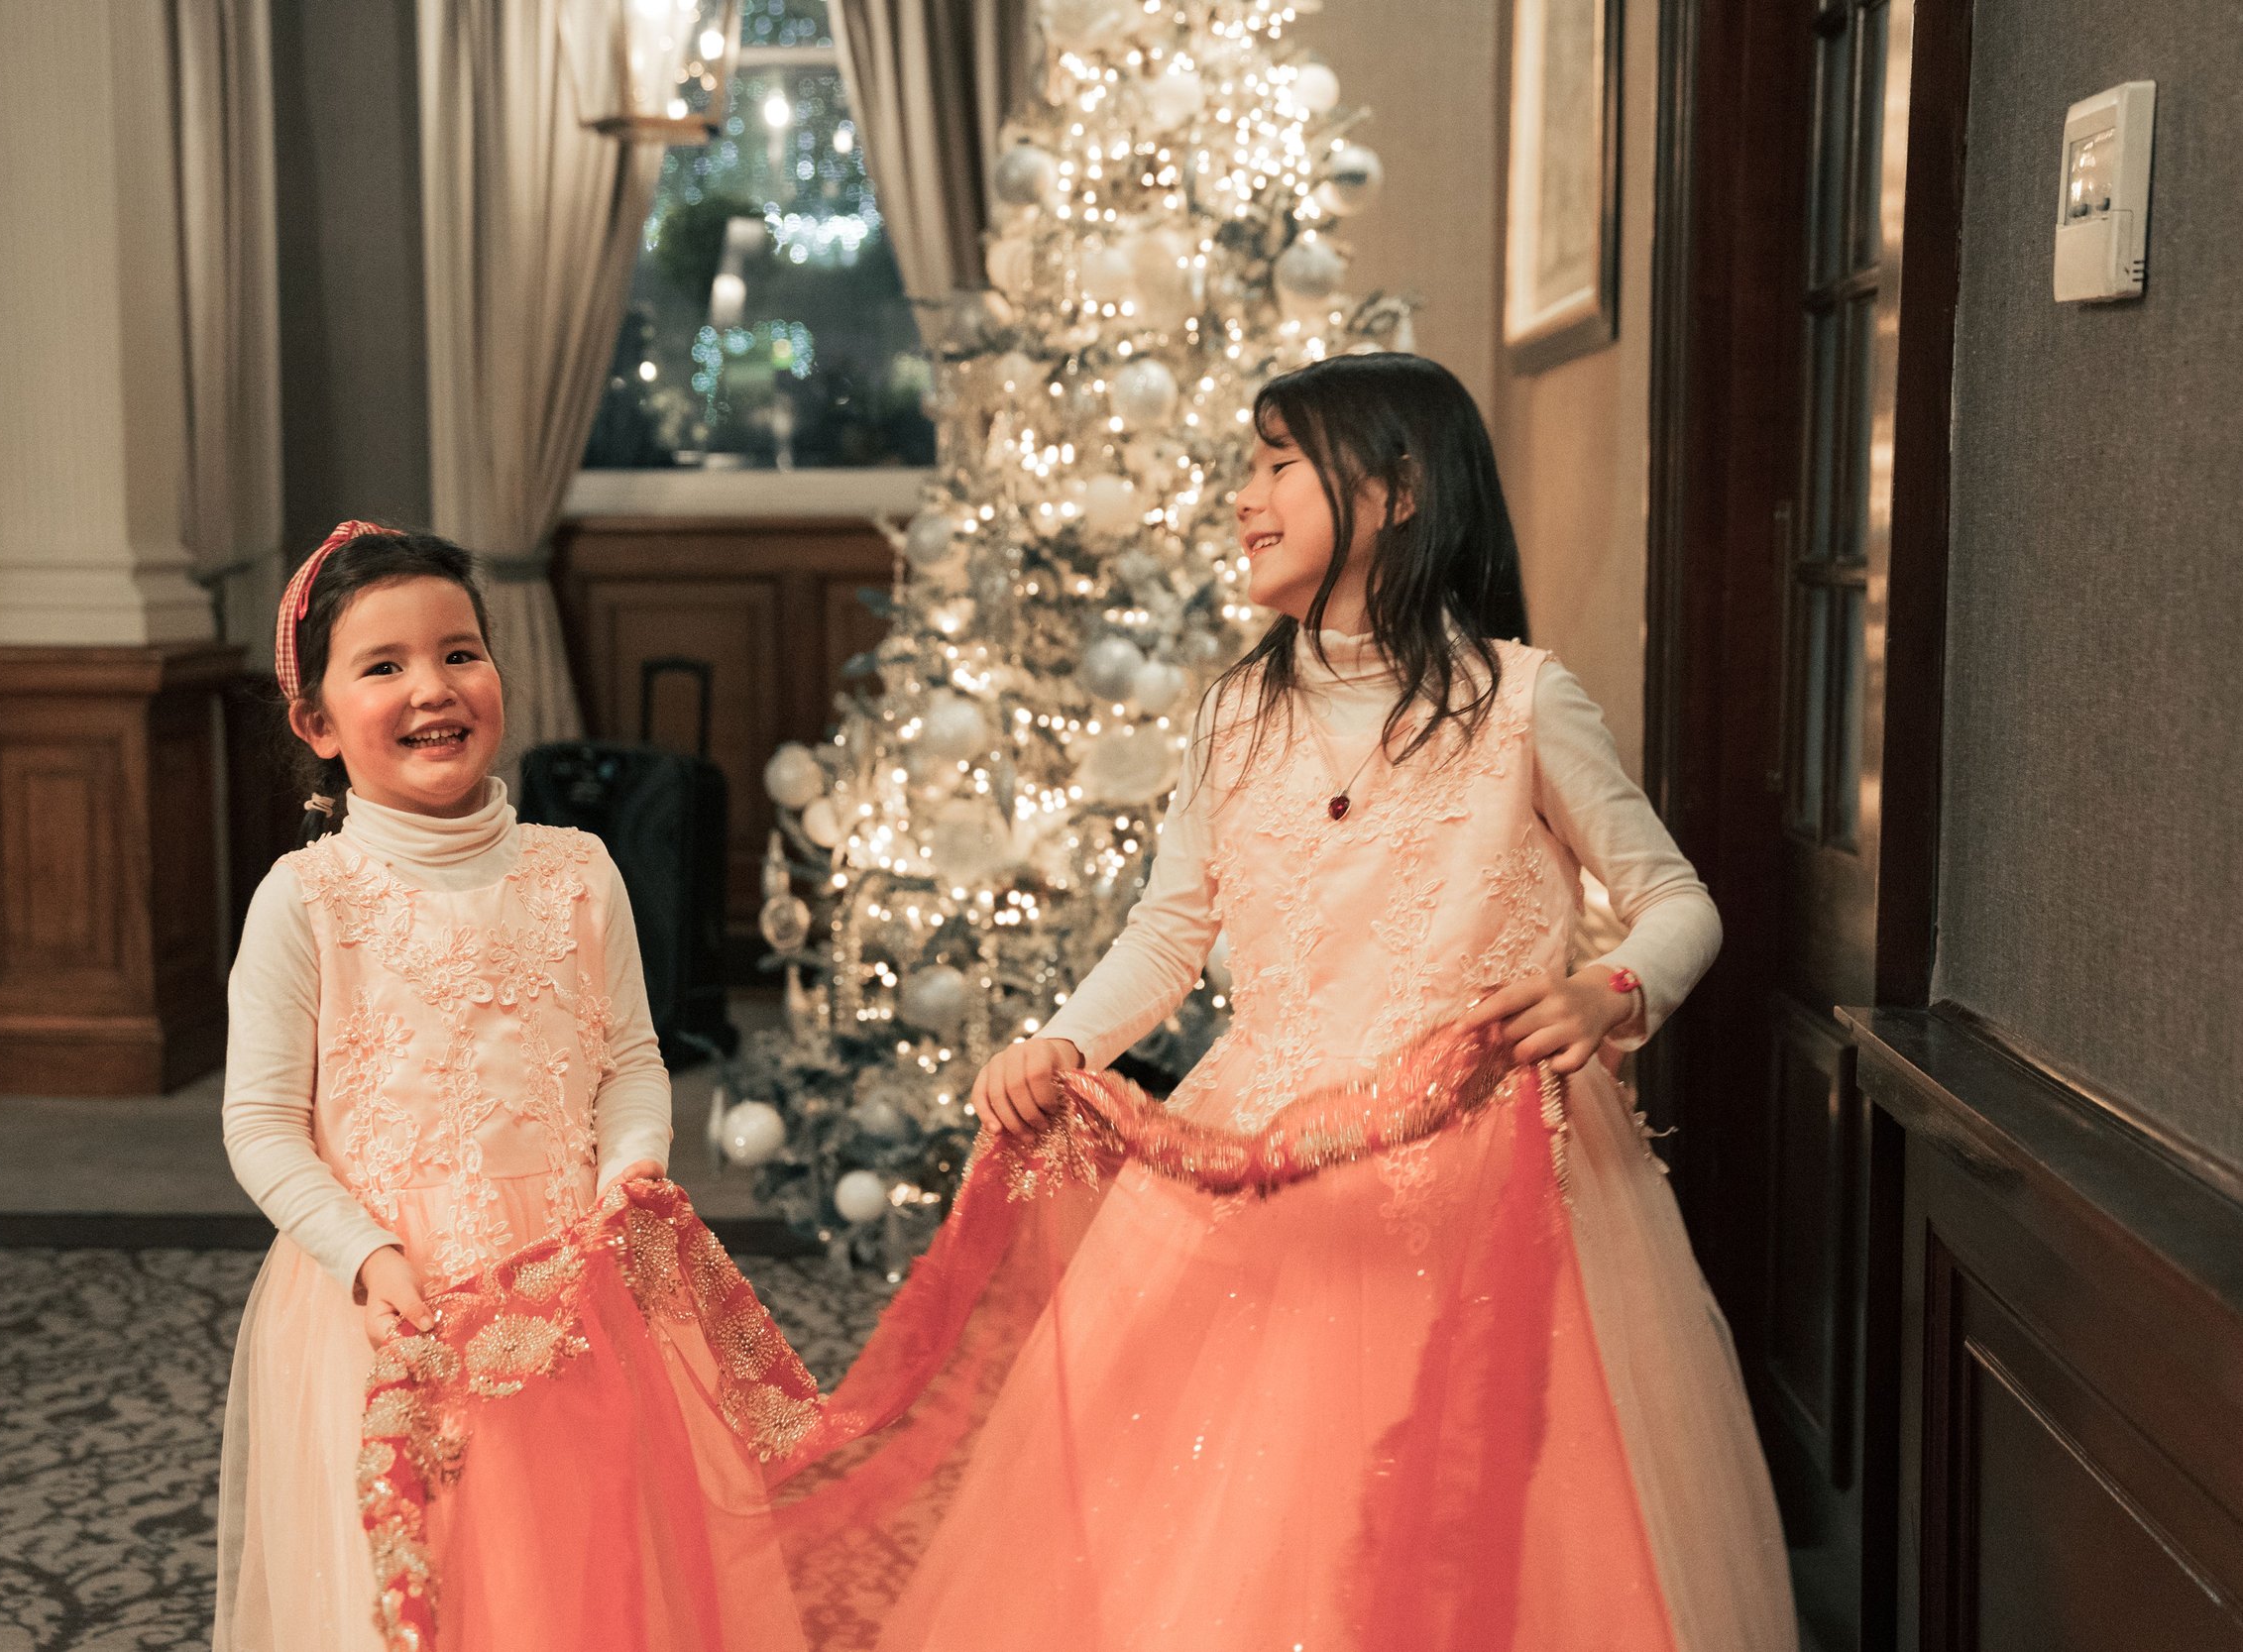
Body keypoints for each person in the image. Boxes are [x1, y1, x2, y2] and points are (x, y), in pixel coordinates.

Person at [899, 354, 1800, 1650]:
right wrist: (1062, 1037)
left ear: (1397, 489)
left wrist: (1610, 986)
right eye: (1247, 466)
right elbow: (1170, 932)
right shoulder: (1231, 715)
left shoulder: (1523, 699)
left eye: (1277, 461)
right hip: (1264, 1153)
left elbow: (1678, 904)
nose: (1244, 495)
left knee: (1489, 1516)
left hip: (1488, 1177)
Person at [209, 522, 799, 1652]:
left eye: (458, 652)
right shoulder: (308, 898)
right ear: (317, 724)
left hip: (568, 1279)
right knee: (423, 1571)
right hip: (390, 1295)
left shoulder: (577, 869)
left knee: (569, 1561)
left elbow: (629, 1058)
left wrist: (629, 1176)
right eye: (382, 667)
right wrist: (363, 1250)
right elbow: (263, 1123)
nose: (431, 687)